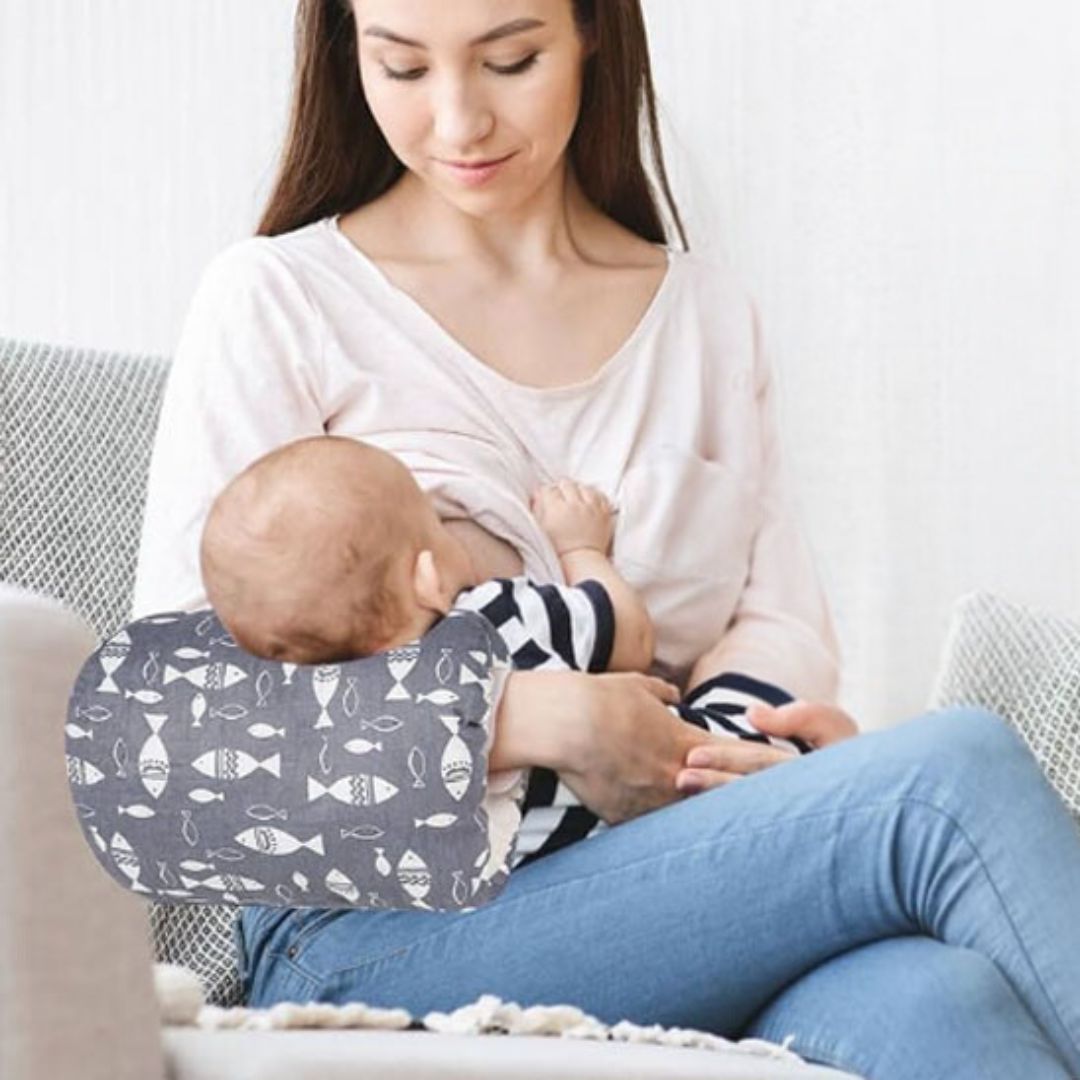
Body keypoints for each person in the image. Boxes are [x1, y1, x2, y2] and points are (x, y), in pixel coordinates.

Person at [132, 1, 1080, 1076]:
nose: (458, 119)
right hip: (374, 928)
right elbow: (182, 750)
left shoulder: (708, 313)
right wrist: (533, 716)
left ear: (592, 31)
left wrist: (772, 755)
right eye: (401, 67)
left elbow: (776, 634)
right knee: (947, 780)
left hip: (669, 875)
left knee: (937, 998)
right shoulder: (277, 301)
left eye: (510, 59)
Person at [198, 433, 807, 868]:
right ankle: (806, 744)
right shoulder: (497, 614)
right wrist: (581, 550)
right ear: (430, 578)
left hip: (566, 879)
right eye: (437, 526)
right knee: (741, 701)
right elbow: (630, 636)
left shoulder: (364, 765)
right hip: (699, 780)